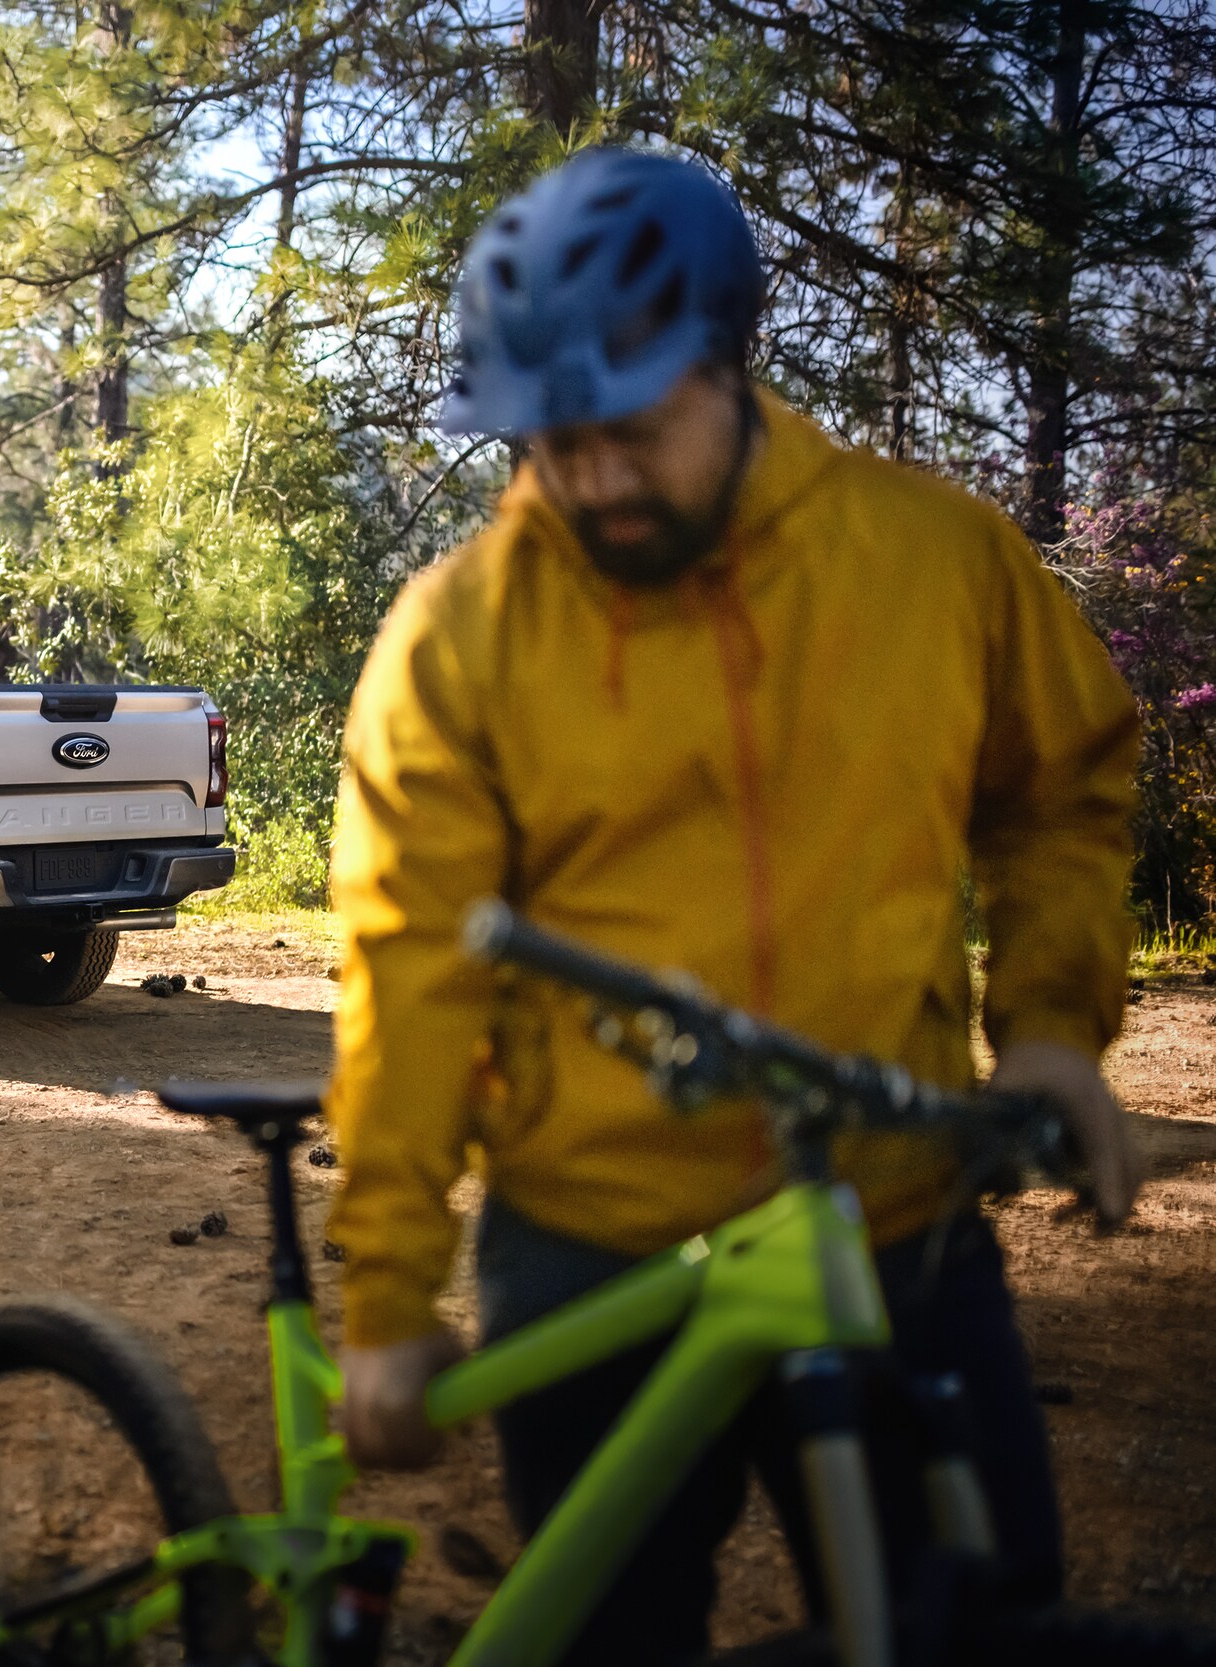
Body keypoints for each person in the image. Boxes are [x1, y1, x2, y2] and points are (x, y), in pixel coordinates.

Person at [322, 147, 1143, 1664]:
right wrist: (383, 1292)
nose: (592, 482)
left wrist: (1048, 1028)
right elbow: (408, 961)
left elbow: (1063, 786)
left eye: (631, 430)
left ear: (731, 360)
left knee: (981, 1624)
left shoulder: (931, 561)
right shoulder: (459, 636)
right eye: (551, 442)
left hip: (898, 1224)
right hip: (594, 1248)